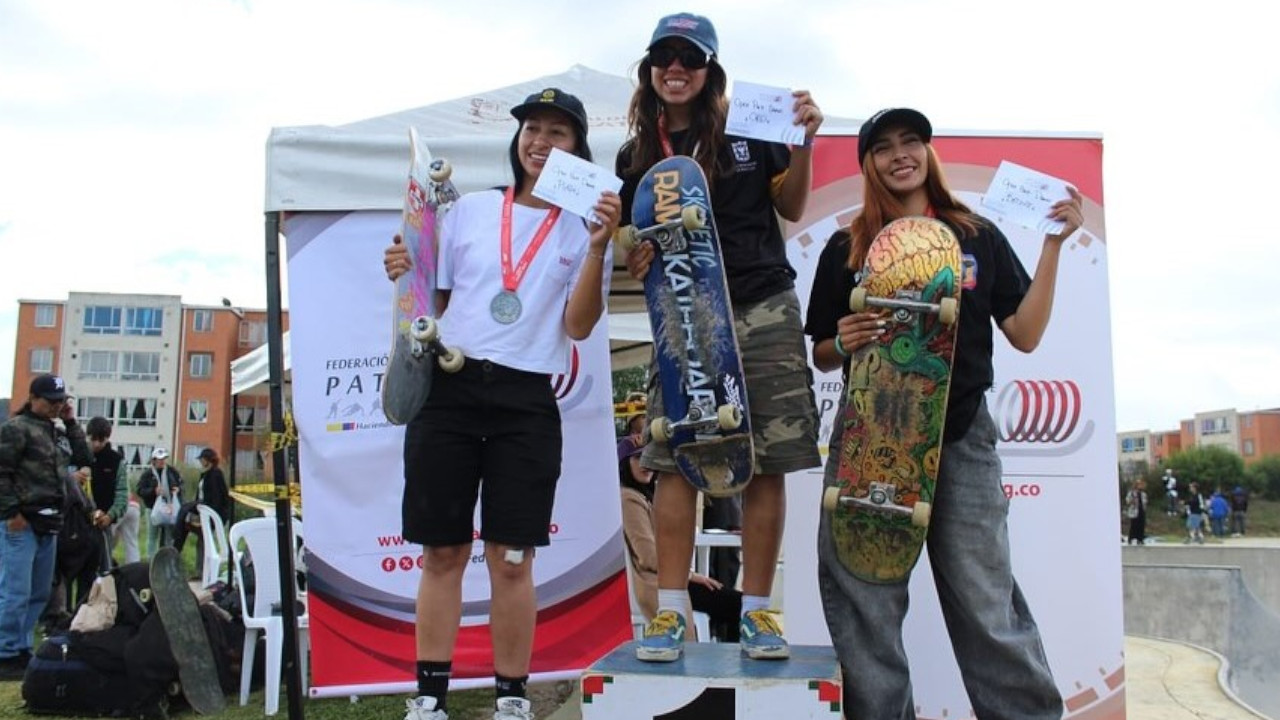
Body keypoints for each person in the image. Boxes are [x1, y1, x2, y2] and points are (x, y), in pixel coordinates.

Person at [805, 107, 1084, 719]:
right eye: (883, 147)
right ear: (868, 164)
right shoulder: (846, 246)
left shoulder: (976, 236)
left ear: (929, 153)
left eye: (911, 141)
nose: (900, 155)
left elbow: (1026, 333)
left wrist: (1053, 246)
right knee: (865, 599)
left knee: (985, 602)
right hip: (871, 438)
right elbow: (823, 351)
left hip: (960, 435)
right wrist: (842, 341)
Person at [383, 87, 620, 720]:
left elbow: (578, 325)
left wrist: (600, 246)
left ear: (578, 150)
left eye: (557, 133)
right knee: (442, 552)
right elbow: (430, 299)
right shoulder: (471, 210)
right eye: (531, 129)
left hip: (525, 399)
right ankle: (429, 698)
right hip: (450, 386)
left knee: (512, 559)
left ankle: (512, 698)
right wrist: (405, 263)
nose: (540, 142)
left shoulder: (585, 226)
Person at [618, 11, 823, 662]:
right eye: (664, 57)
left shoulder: (752, 127)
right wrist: (633, 254)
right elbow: (630, 236)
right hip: (682, 313)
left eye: (691, 57)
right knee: (675, 456)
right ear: (650, 69)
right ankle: (671, 611)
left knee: (766, 458)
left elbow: (791, 206)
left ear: (710, 70)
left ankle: (759, 611)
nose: (676, 68)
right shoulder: (635, 153)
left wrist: (805, 144)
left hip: (761, 303)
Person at [0, 374, 91, 679]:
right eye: (51, 401)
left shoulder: (56, 432)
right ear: (33, 399)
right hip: (22, 521)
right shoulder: (16, 429)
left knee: (39, 592)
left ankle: (21, 647)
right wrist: (12, 512)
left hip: (50, 521)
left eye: (60, 401)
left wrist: (71, 422)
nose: (56, 406)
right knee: (16, 590)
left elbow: (84, 457)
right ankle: (5, 651)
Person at [618, 431, 742, 643]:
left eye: (648, 458)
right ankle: (731, 657)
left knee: (732, 601)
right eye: (637, 458)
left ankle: (724, 649)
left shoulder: (646, 495)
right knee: (737, 604)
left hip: (669, 577)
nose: (645, 464)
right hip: (659, 582)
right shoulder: (629, 499)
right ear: (624, 463)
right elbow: (647, 556)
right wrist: (690, 575)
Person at [86, 416, 128, 566]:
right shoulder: (80, 456)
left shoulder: (116, 461)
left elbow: (122, 494)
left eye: (101, 440)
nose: (96, 444)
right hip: (78, 523)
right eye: (93, 439)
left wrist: (110, 516)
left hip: (103, 524)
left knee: (104, 567)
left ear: (107, 438)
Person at [173, 447, 231, 555]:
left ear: (208, 460)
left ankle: (177, 545)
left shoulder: (215, 474)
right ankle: (177, 544)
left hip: (209, 508)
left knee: (184, 509)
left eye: (202, 459)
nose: (200, 461)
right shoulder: (205, 474)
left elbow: (216, 498)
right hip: (202, 505)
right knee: (184, 511)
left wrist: (205, 510)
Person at [135, 448, 183, 556]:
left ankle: (166, 560)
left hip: (169, 508)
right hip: (152, 509)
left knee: (168, 537)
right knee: (152, 536)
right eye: (159, 459)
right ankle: (151, 561)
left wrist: (178, 489)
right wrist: (153, 491)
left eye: (164, 459)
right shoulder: (147, 474)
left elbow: (180, 484)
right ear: (154, 460)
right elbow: (140, 490)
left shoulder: (172, 472)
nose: (162, 461)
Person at [1125, 479, 1148, 545]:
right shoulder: (1132, 493)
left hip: (1141, 511)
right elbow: (1127, 501)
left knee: (1141, 525)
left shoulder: (1143, 494)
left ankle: (1140, 539)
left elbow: (1145, 501)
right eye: (1139, 485)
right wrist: (1132, 501)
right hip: (1134, 511)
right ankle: (1131, 538)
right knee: (1134, 525)